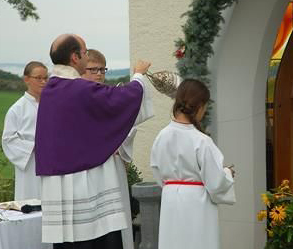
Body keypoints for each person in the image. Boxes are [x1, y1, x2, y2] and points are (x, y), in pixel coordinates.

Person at [35, 34, 153, 249]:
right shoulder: (78, 89)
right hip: (85, 183)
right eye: (85, 51)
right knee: (96, 239)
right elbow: (120, 101)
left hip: (60, 184)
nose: (86, 55)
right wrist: (138, 76)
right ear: (74, 57)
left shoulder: (52, 89)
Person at [150, 79, 235, 249]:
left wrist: (173, 186)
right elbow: (215, 182)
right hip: (197, 202)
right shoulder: (202, 141)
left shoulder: (162, 136)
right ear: (200, 106)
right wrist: (227, 173)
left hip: (170, 198)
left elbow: (156, 170)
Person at [82, 48, 138, 249]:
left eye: (102, 70)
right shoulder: (75, 99)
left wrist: (118, 142)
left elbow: (130, 122)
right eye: (92, 69)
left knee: (117, 221)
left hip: (111, 168)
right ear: (81, 70)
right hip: (86, 170)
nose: (98, 74)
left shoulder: (112, 96)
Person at [2, 61, 48, 201]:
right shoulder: (17, 109)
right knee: (30, 203)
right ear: (26, 79)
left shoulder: (51, 105)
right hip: (29, 164)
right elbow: (8, 140)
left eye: (46, 78)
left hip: (51, 162)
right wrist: (34, 146)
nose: (43, 82)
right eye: (38, 78)